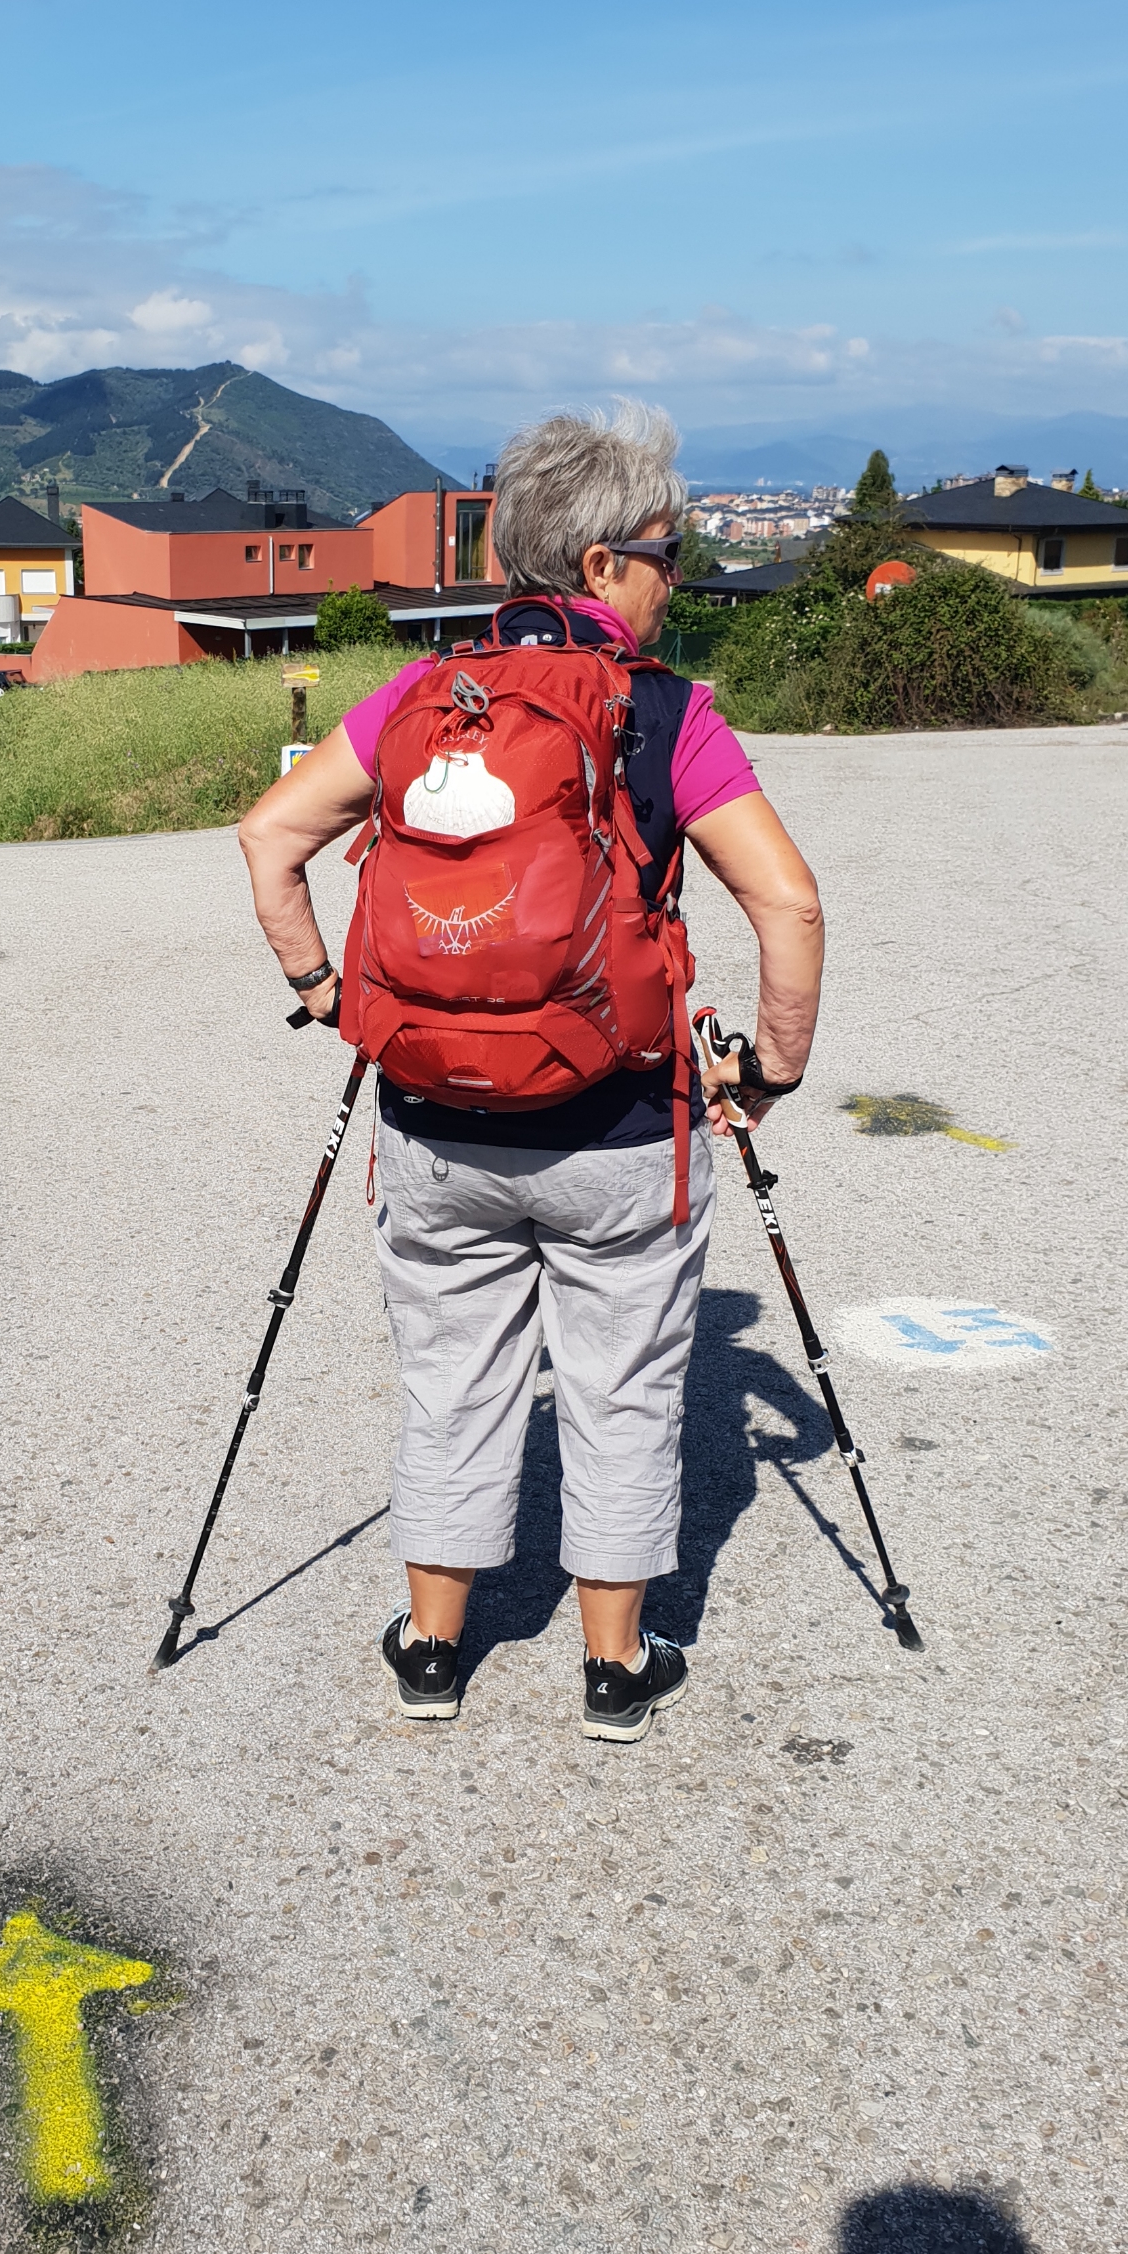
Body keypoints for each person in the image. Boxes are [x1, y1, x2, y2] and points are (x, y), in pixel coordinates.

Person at [237, 404, 823, 1741]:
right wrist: (767, 1071)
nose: (678, 577)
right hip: (620, 1126)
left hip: (436, 1122)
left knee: (453, 1374)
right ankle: (615, 1670)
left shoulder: (416, 697)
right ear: (607, 563)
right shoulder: (665, 714)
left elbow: (271, 839)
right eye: (669, 553)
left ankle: (434, 1652)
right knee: (620, 1386)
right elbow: (788, 907)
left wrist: (330, 996)